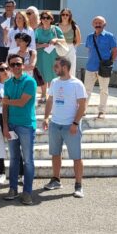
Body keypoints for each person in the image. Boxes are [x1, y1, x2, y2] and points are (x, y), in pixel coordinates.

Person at [43, 57, 87, 198]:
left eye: (56, 66)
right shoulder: (54, 82)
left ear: (64, 67)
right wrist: (46, 117)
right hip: (55, 124)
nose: (54, 68)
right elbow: (50, 100)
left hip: (70, 126)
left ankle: (78, 185)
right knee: (55, 154)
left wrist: (75, 123)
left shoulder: (77, 84)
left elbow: (83, 106)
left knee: (76, 157)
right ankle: (56, 180)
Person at [1, 53, 38, 205]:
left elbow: (22, 102)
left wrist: (4, 101)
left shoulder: (30, 82)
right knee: (14, 159)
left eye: (18, 64)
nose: (16, 67)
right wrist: (4, 125)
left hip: (26, 126)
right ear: (9, 67)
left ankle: (27, 192)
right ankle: (13, 188)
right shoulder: (7, 83)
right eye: (13, 64)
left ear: (23, 65)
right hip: (11, 125)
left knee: (28, 160)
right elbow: (5, 106)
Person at [84, 16, 117, 119]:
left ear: (104, 25)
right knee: (86, 90)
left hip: (103, 68)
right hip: (90, 67)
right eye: (96, 22)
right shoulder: (89, 37)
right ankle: (83, 110)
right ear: (93, 24)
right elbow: (89, 51)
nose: (97, 24)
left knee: (103, 90)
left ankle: (102, 111)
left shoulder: (110, 36)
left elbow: (115, 52)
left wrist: (109, 64)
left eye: (100, 22)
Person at [35, 10, 65, 103]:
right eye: (43, 18)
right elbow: (33, 44)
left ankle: (52, 95)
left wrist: (56, 39)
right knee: (42, 75)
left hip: (53, 56)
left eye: (47, 17)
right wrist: (42, 45)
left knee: (53, 75)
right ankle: (43, 95)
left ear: (51, 19)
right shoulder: (38, 30)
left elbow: (63, 40)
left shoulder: (55, 29)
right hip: (41, 56)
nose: (45, 19)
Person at [58, 8, 81, 76]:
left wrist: (71, 47)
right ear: (61, 15)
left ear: (69, 16)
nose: (65, 16)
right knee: (59, 70)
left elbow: (78, 41)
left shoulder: (74, 27)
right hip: (58, 49)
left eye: (67, 15)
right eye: (63, 14)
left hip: (70, 49)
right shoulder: (56, 26)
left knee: (71, 70)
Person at [0, 0, 16, 65]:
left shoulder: (17, 17)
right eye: (6, 6)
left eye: (10, 6)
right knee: (0, 66)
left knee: (12, 65)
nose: (8, 8)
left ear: (14, 7)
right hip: (1, 47)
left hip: (12, 47)